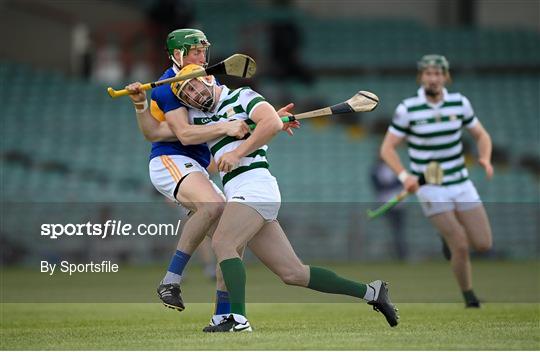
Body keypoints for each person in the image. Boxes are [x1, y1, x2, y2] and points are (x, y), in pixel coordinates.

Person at [159, 63, 399, 332]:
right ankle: (372, 293)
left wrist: (247, 145)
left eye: (194, 85)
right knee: (293, 273)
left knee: (224, 242)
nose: (193, 93)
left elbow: (269, 122)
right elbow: (221, 147)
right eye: (186, 91)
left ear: (209, 79)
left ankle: (236, 319)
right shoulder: (203, 119)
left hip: (255, 186)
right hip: (238, 189)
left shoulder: (242, 96)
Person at [126, 28, 297, 325]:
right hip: (172, 159)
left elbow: (226, 118)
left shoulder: (208, 79)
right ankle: (171, 280)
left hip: (201, 164)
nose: (202, 56)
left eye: (204, 50)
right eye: (195, 50)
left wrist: (268, 118)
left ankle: (223, 317)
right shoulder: (169, 87)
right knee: (212, 207)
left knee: (227, 241)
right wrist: (226, 127)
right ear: (178, 54)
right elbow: (181, 134)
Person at [379, 54, 493, 308]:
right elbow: (387, 149)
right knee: (460, 245)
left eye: (438, 73)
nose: (433, 78)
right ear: (421, 77)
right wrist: (405, 176)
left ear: (445, 76)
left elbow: (481, 135)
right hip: (430, 185)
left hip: (461, 182)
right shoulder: (407, 109)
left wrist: (485, 158)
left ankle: (446, 238)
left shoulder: (459, 103)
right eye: (428, 73)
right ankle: (470, 298)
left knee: (483, 244)